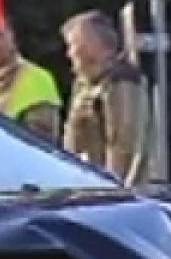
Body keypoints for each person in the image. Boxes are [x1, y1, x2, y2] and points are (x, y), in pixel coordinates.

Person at [60, 9, 151, 182]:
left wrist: (113, 190)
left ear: (94, 46)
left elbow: (124, 145)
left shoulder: (120, 81)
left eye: (73, 45)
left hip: (108, 193)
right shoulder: (84, 84)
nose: (69, 53)